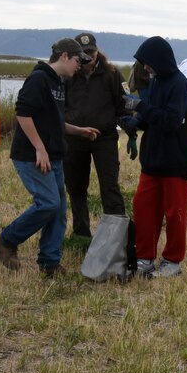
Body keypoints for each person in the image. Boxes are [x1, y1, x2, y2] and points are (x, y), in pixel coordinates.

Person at [0, 38, 98, 276]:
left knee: (57, 212)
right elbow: (23, 114)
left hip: (54, 156)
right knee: (48, 203)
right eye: (78, 60)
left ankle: (49, 262)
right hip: (32, 156)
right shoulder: (39, 79)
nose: (80, 65)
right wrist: (39, 147)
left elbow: (53, 121)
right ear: (65, 57)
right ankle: (6, 241)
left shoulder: (58, 83)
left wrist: (77, 130)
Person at [122, 36, 187, 278]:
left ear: (159, 60)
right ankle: (144, 259)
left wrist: (140, 107)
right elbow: (151, 117)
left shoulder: (179, 84)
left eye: (147, 62)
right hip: (152, 162)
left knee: (174, 214)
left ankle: (172, 262)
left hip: (176, 162)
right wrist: (133, 122)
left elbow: (172, 121)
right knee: (143, 209)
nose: (145, 67)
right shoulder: (155, 83)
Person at [63, 33, 128, 248]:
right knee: (76, 186)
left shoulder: (112, 74)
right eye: (83, 54)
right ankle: (81, 234)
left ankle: (116, 237)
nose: (88, 57)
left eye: (90, 52)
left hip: (105, 138)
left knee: (109, 186)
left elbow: (125, 105)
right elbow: (60, 106)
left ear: (97, 51)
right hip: (75, 137)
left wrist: (132, 132)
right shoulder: (69, 74)